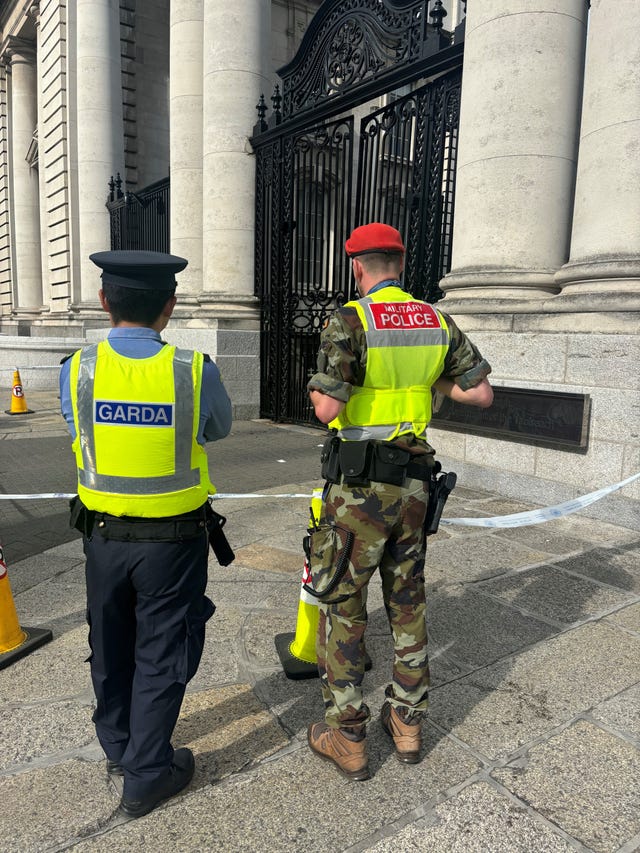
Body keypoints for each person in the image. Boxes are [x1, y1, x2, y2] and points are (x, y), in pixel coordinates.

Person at [305, 223, 493, 781]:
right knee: (406, 600)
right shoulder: (436, 320)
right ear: (401, 265)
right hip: (414, 487)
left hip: (359, 491)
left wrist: (331, 386)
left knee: (342, 602)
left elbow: (326, 410)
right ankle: (408, 723)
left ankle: (348, 734)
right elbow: (480, 392)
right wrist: (428, 385)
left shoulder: (350, 319)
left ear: (357, 266)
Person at [59, 250, 232, 817]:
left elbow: (75, 425)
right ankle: (147, 773)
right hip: (173, 544)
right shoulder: (193, 369)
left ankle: (119, 747)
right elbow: (218, 428)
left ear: (105, 302)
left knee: (108, 642)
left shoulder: (77, 368)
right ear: (171, 306)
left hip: (102, 540)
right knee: (162, 649)